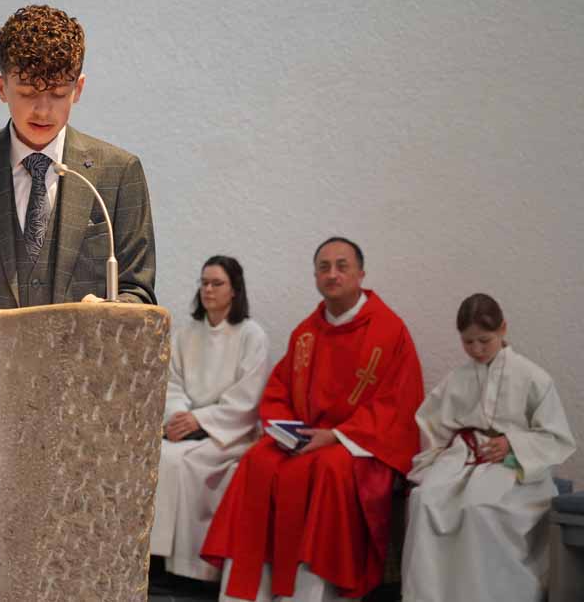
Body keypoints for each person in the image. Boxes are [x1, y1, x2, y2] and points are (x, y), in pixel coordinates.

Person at [201, 237, 425, 602]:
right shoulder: (306, 332)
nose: (332, 274)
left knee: (329, 471)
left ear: (361, 274)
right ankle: (244, 593)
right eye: (324, 267)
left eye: (341, 266)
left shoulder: (389, 331)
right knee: (257, 461)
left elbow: (397, 405)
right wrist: (290, 432)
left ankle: (309, 593)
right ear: (315, 276)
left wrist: (335, 435)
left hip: (357, 445)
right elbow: (278, 391)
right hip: (306, 440)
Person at [0, 4, 156, 307]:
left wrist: (107, 315)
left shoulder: (119, 172)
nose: (43, 110)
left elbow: (139, 293)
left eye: (58, 93)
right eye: (27, 92)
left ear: (78, 89)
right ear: (1, 87)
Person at [401, 293, 575, 602]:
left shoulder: (533, 377)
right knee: (423, 500)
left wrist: (512, 443)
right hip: (462, 458)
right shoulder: (457, 378)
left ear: (503, 329)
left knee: (478, 510)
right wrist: (448, 451)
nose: (477, 350)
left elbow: (556, 436)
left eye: (485, 340)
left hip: (512, 465)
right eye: (468, 342)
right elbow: (433, 424)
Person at [151, 256, 270, 582]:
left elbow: (247, 398)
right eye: (204, 283)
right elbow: (171, 383)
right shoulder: (186, 334)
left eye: (217, 283)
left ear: (235, 290)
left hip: (228, 433)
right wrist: (179, 416)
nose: (208, 289)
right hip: (185, 427)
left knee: (186, 464)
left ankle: (193, 568)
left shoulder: (251, 336)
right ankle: (156, 561)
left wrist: (200, 420)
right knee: (161, 457)